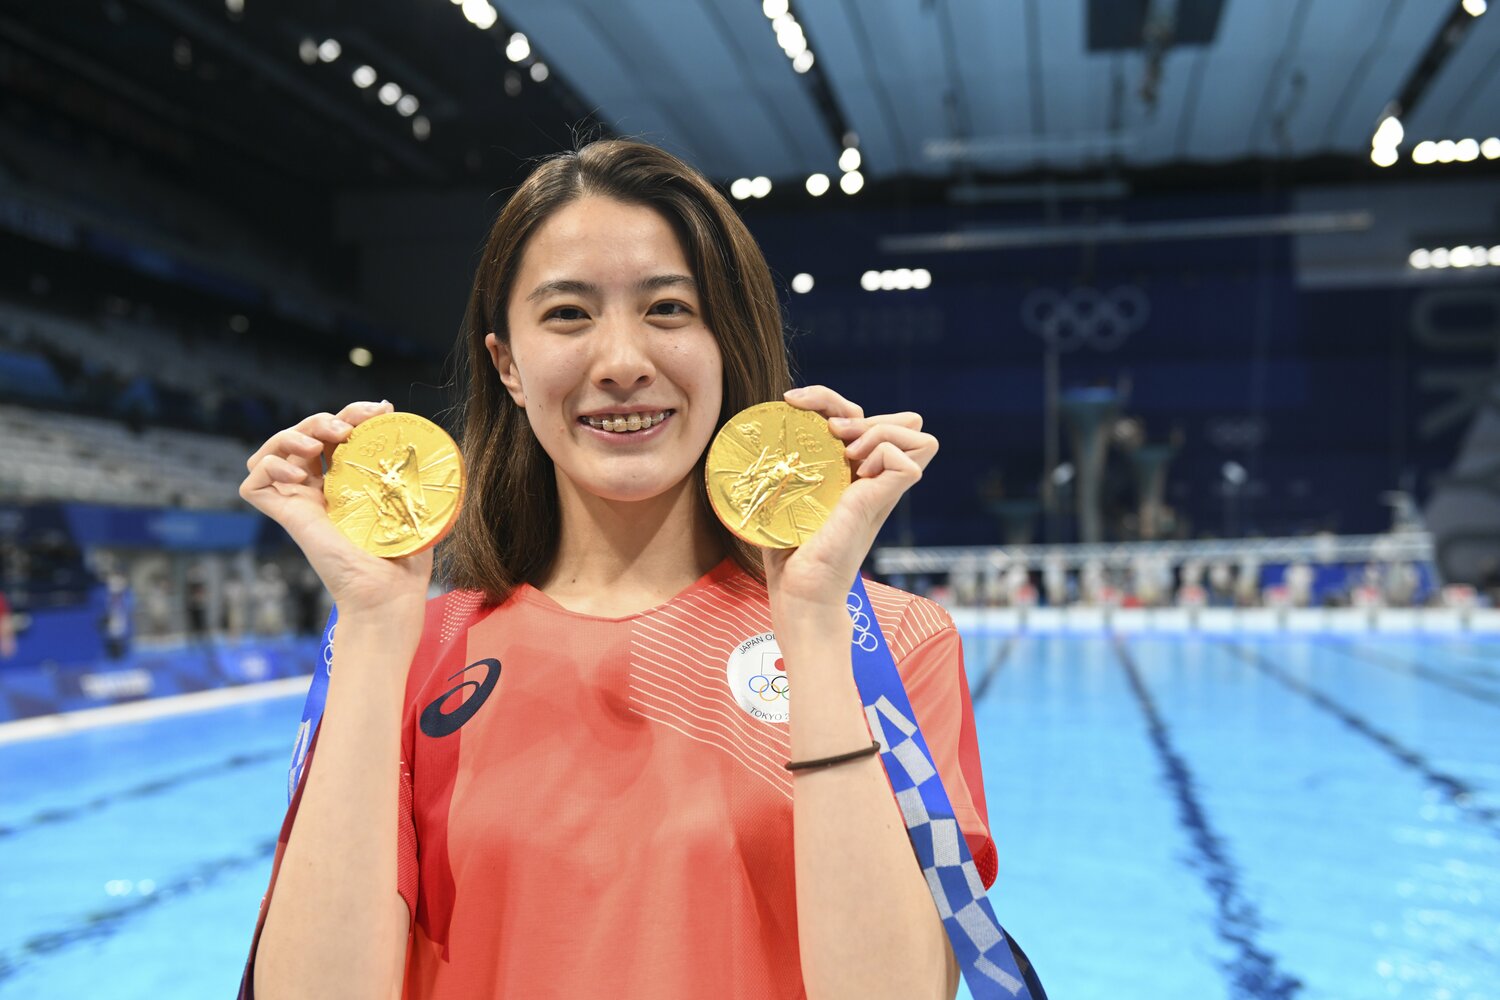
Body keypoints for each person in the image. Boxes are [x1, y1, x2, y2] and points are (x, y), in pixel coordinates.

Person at [238, 139, 995, 1000]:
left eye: (669, 309)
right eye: (568, 315)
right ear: (507, 365)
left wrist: (816, 626)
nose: (622, 361)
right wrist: (372, 633)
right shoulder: (410, 651)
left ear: (727, 341)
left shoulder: (888, 643)